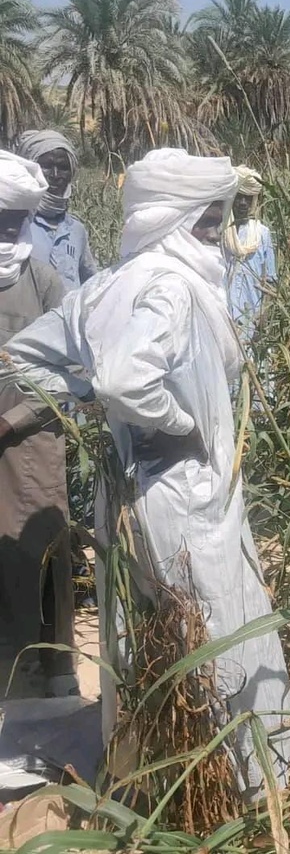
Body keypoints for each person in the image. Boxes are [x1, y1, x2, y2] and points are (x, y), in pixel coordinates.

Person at [3, 149, 290, 799]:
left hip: (133, 489)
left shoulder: (109, 283)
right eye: (207, 221)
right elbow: (124, 378)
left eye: (220, 219)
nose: (217, 235)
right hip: (182, 491)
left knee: (147, 625)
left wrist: (86, 392)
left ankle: (153, 766)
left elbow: (24, 356)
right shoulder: (168, 285)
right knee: (206, 621)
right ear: (172, 220)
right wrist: (177, 421)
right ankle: (227, 776)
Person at [0, 151, 78, 698]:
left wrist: (11, 421)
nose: (6, 233)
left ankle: (53, 668)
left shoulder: (46, 281)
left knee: (41, 551)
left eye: (12, 223)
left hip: (31, 444)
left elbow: (71, 369)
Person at [14, 130, 99, 293]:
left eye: (63, 167)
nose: (55, 175)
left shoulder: (76, 230)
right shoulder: (16, 225)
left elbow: (90, 283)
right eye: (46, 166)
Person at [223, 165, 277, 340]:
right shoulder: (220, 232)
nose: (243, 203)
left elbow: (270, 281)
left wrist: (262, 317)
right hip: (222, 314)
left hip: (250, 317)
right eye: (239, 197)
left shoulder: (261, 234)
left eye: (247, 198)